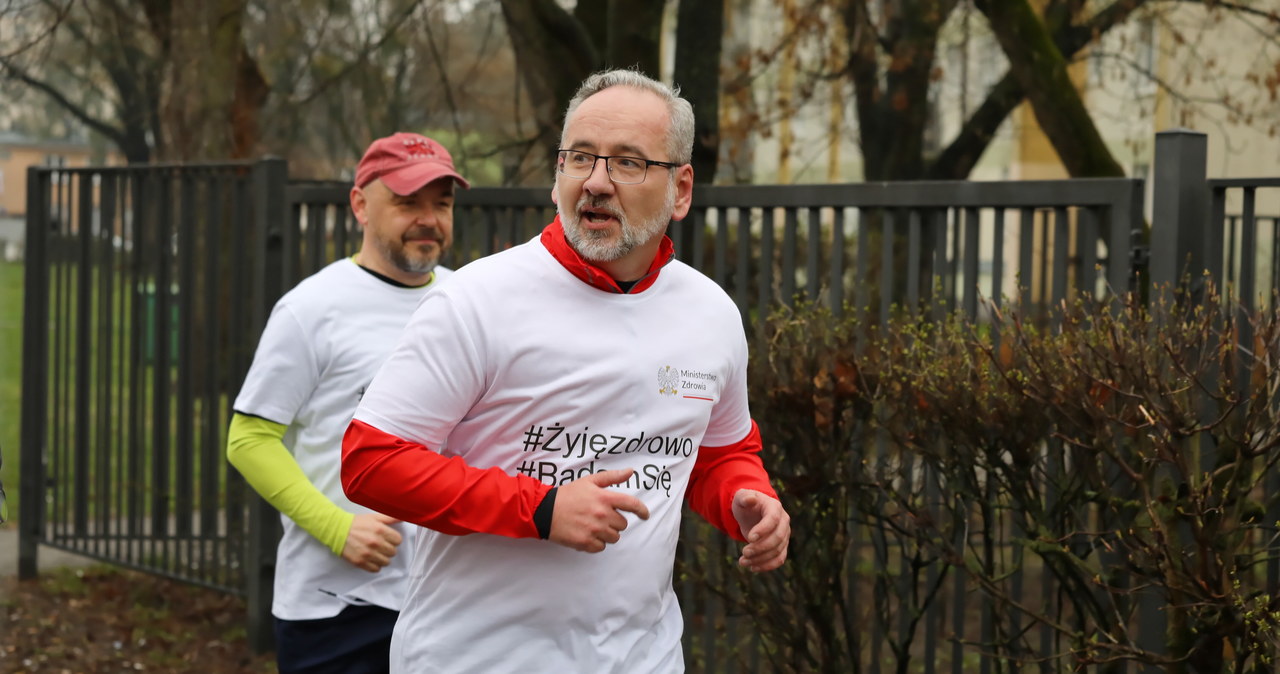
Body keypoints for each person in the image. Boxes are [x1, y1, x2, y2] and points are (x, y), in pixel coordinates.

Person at [341, 69, 791, 673]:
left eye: (629, 162)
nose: (596, 183)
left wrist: (747, 497)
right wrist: (541, 508)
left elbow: (715, 450)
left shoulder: (710, 313)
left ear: (681, 189)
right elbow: (371, 463)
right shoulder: (478, 300)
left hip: (643, 657)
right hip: (475, 659)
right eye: (580, 157)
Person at [226, 131, 469, 673]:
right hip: (336, 610)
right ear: (360, 203)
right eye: (408, 202)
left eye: (442, 203)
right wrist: (337, 528)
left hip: (447, 603)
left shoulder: (468, 301)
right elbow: (248, 440)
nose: (429, 218)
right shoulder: (311, 309)